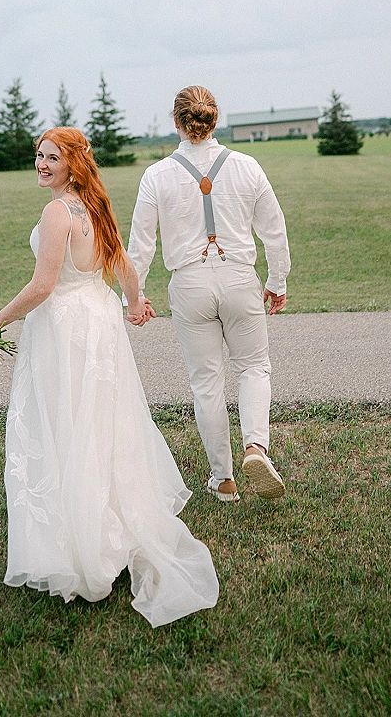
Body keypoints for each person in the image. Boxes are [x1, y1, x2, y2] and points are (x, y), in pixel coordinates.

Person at [0, 127, 219, 628]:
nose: (41, 164)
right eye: (38, 156)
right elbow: (122, 263)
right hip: (98, 322)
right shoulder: (94, 204)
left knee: (67, 427)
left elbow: (42, 286)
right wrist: (134, 301)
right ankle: (109, 528)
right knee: (100, 424)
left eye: (51, 157)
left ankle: (82, 544)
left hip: (64, 329)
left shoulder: (59, 211)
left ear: (72, 163)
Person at [127, 86, 291, 503]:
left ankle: (223, 478)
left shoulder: (156, 175)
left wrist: (137, 295)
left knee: (206, 383)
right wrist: (278, 281)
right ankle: (256, 447)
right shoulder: (247, 166)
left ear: (176, 122)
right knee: (253, 368)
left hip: (189, 284)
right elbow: (274, 229)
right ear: (214, 120)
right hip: (239, 279)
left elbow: (141, 245)